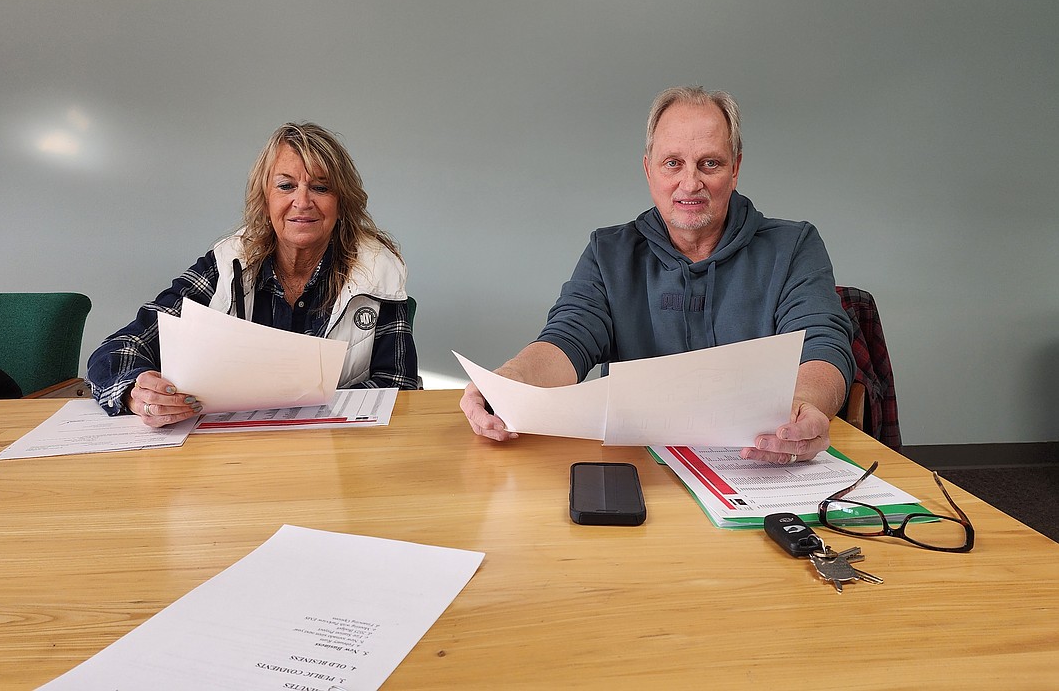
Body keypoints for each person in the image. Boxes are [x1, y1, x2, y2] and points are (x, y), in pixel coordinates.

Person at [460, 86, 855, 464]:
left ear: (734, 170)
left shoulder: (793, 245)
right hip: (639, 466)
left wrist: (804, 406)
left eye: (710, 163)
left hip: (759, 460)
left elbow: (822, 343)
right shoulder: (608, 252)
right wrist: (506, 383)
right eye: (673, 163)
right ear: (649, 170)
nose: (690, 183)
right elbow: (567, 339)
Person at [88, 122, 420, 427]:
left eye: (320, 188)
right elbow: (121, 347)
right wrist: (137, 392)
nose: (302, 202)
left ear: (342, 202)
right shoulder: (227, 264)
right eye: (286, 186)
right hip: (227, 460)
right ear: (265, 199)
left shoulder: (378, 272)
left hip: (334, 455)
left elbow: (398, 387)